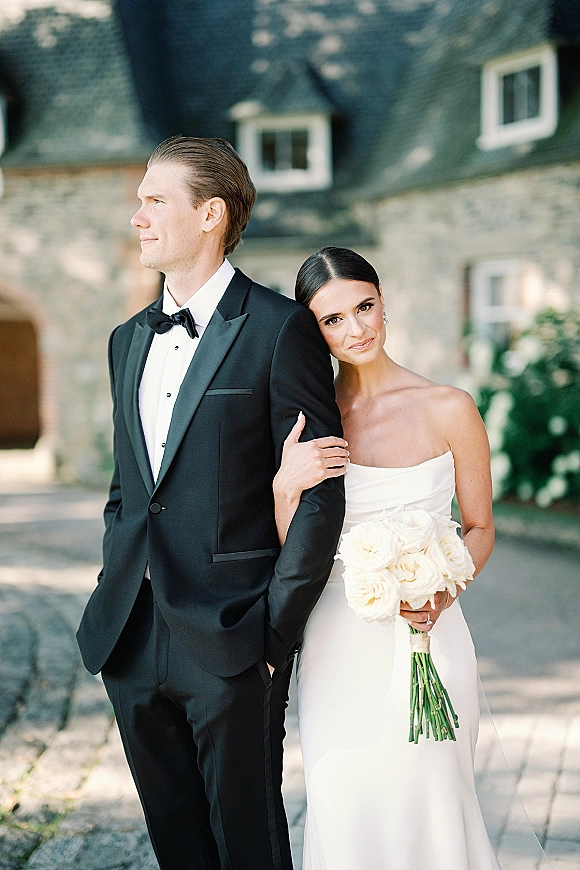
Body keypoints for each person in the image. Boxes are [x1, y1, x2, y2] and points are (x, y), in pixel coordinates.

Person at [76, 138, 345, 870]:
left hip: (234, 641)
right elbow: (126, 490)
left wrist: (271, 638)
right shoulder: (126, 340)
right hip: (130, 637)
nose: (137, 216)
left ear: (211, 214)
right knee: (176, 844)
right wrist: (113, 581)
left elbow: (321, 497)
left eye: (154, 199)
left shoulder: (278, 327)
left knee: (247, 845)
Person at [273, 247, 501, 869]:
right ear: (314, 331)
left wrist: (443, 590)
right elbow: (290, 547)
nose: (357, 329)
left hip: (427, 633)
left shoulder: (449, 407)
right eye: (333, 320)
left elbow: (480, 527)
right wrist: (285, 484)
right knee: (344, 802)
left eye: (364, 306)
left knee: (430, 802)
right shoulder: (311, 422)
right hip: (335, 640)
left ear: (383, 301)